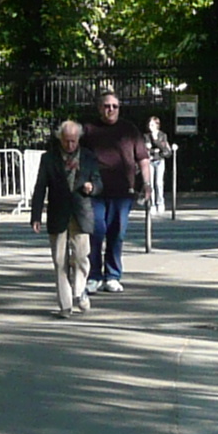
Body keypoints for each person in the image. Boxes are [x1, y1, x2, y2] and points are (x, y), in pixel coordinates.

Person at [28, 118, 104, 316]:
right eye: (66, 141)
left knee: (81, 257)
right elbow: (40, 188)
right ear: (60, 139)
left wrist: (92, 188)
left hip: (81, 213)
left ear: (79, 139)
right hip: (58, 213)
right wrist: (36, 215)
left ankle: (79, 292)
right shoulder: (49, 158)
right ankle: (65, 305)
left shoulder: (88, 157)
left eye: (73, 141)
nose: (70, 145)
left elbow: (98, 182)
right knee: (59, 261)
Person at [80, 88, 149, 293]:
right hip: (95, 192)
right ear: (99, 108)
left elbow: (143, 159)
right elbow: (75, 158)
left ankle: (113, 275)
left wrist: (147, 184)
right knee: (96, 232)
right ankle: (94, 275)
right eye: (106, 106)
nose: (111, 110)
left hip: (122, 191)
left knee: (117, 233)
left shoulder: (129, 130)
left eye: (114, 106)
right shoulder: (89, 130)